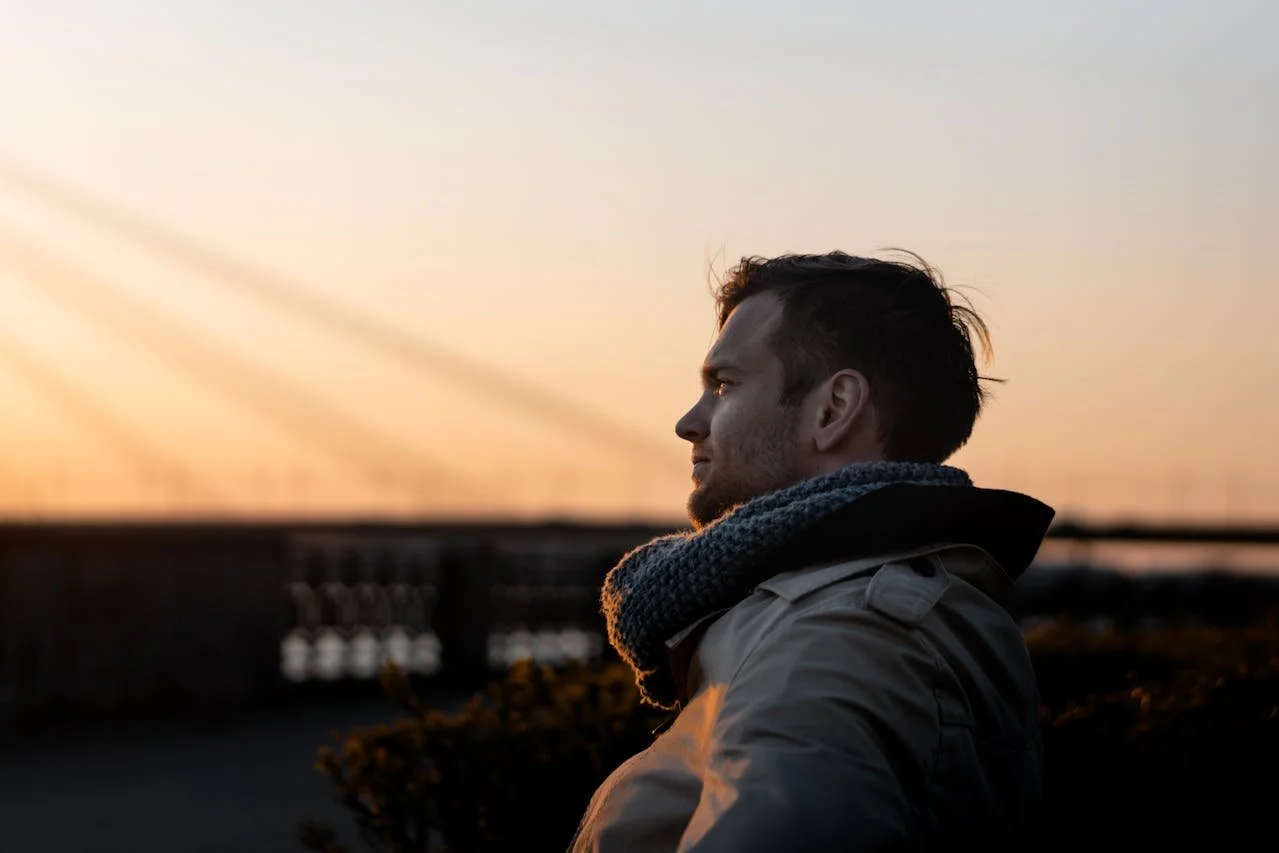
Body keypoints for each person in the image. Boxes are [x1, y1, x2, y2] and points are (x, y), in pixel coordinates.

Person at [570, 251, 1054, 852]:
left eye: (723, 386)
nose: (688, 423)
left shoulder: (840, 638)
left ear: (833, 409)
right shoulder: (838, 609)